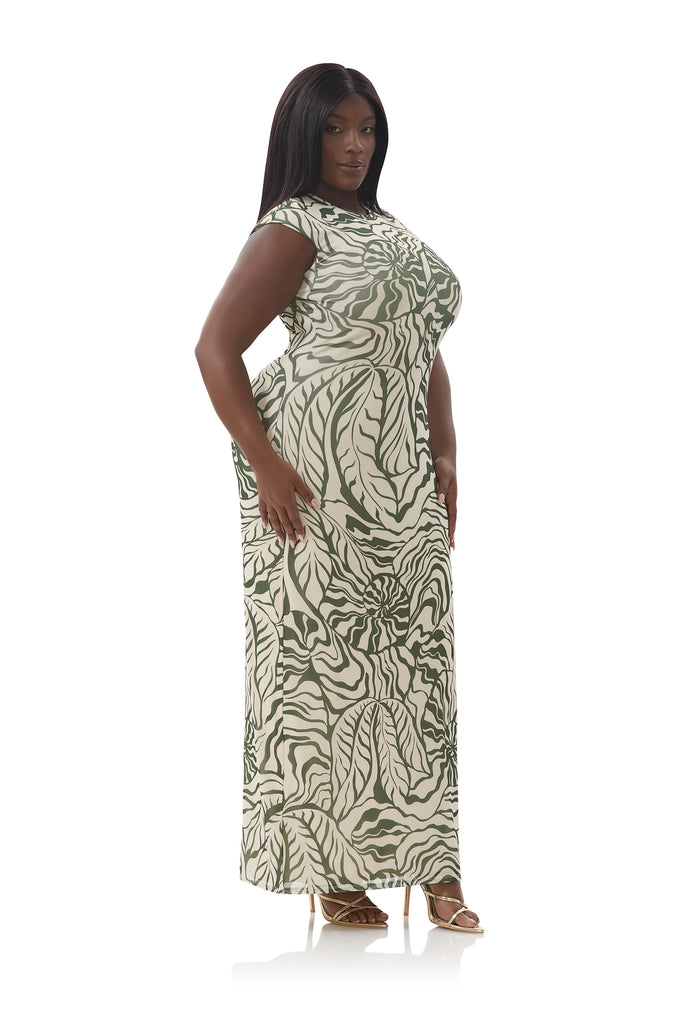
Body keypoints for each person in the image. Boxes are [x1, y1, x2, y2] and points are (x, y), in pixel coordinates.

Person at [194, 63, 483, 934]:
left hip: (398, 479)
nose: (354, 145)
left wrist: (445, 448)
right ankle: (335, 876)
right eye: (334, 129)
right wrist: (266, 464)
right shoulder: (292, 227)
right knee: (321, 678)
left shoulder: (386, 228)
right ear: (302, 133)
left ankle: (435, 871)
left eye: (365, 129)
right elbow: (214, 347)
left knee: (417, 673)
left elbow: (419, 345)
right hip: (315, 481)